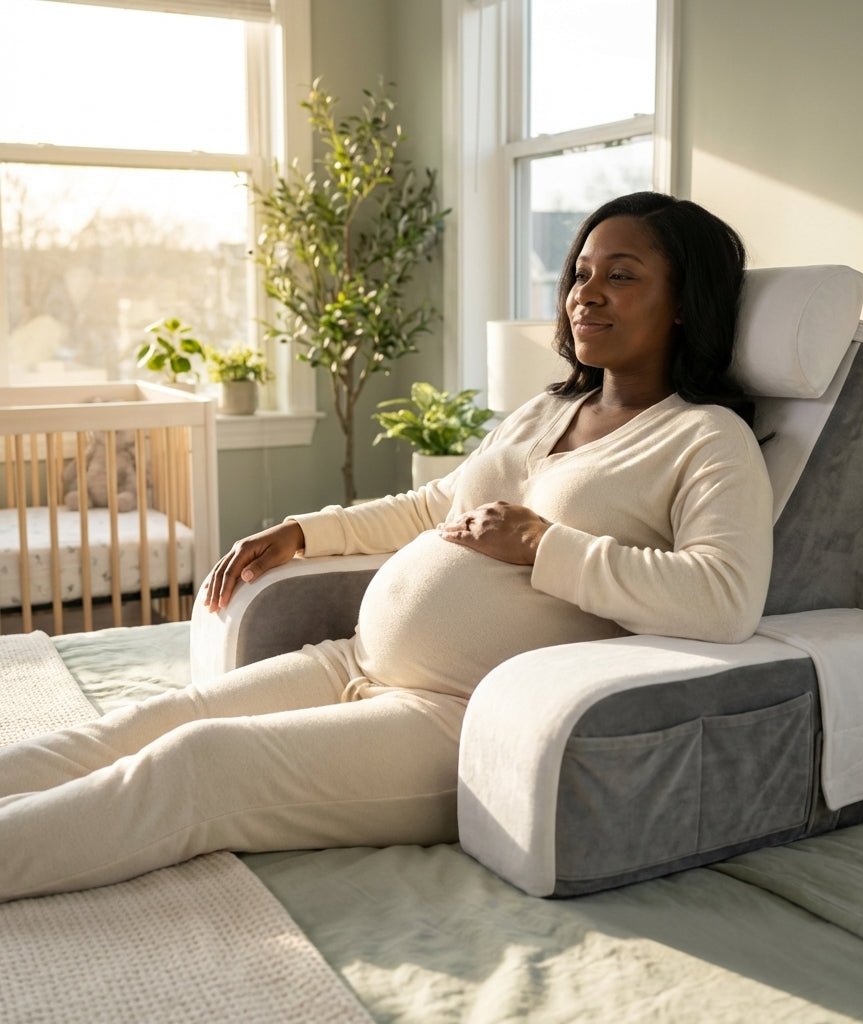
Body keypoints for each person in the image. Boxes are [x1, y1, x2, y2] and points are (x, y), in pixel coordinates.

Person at [0, 192, 773, 903]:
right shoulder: (549, 408)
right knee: (156, 720)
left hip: (458, 718)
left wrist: (544, 545)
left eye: (622, 275)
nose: (585, 291)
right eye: (580, 271)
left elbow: (724, 599)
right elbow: (438, 504)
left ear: (683, 303)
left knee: (196, 764)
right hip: (356, 661)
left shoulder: (706, 438)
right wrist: (307, 532)